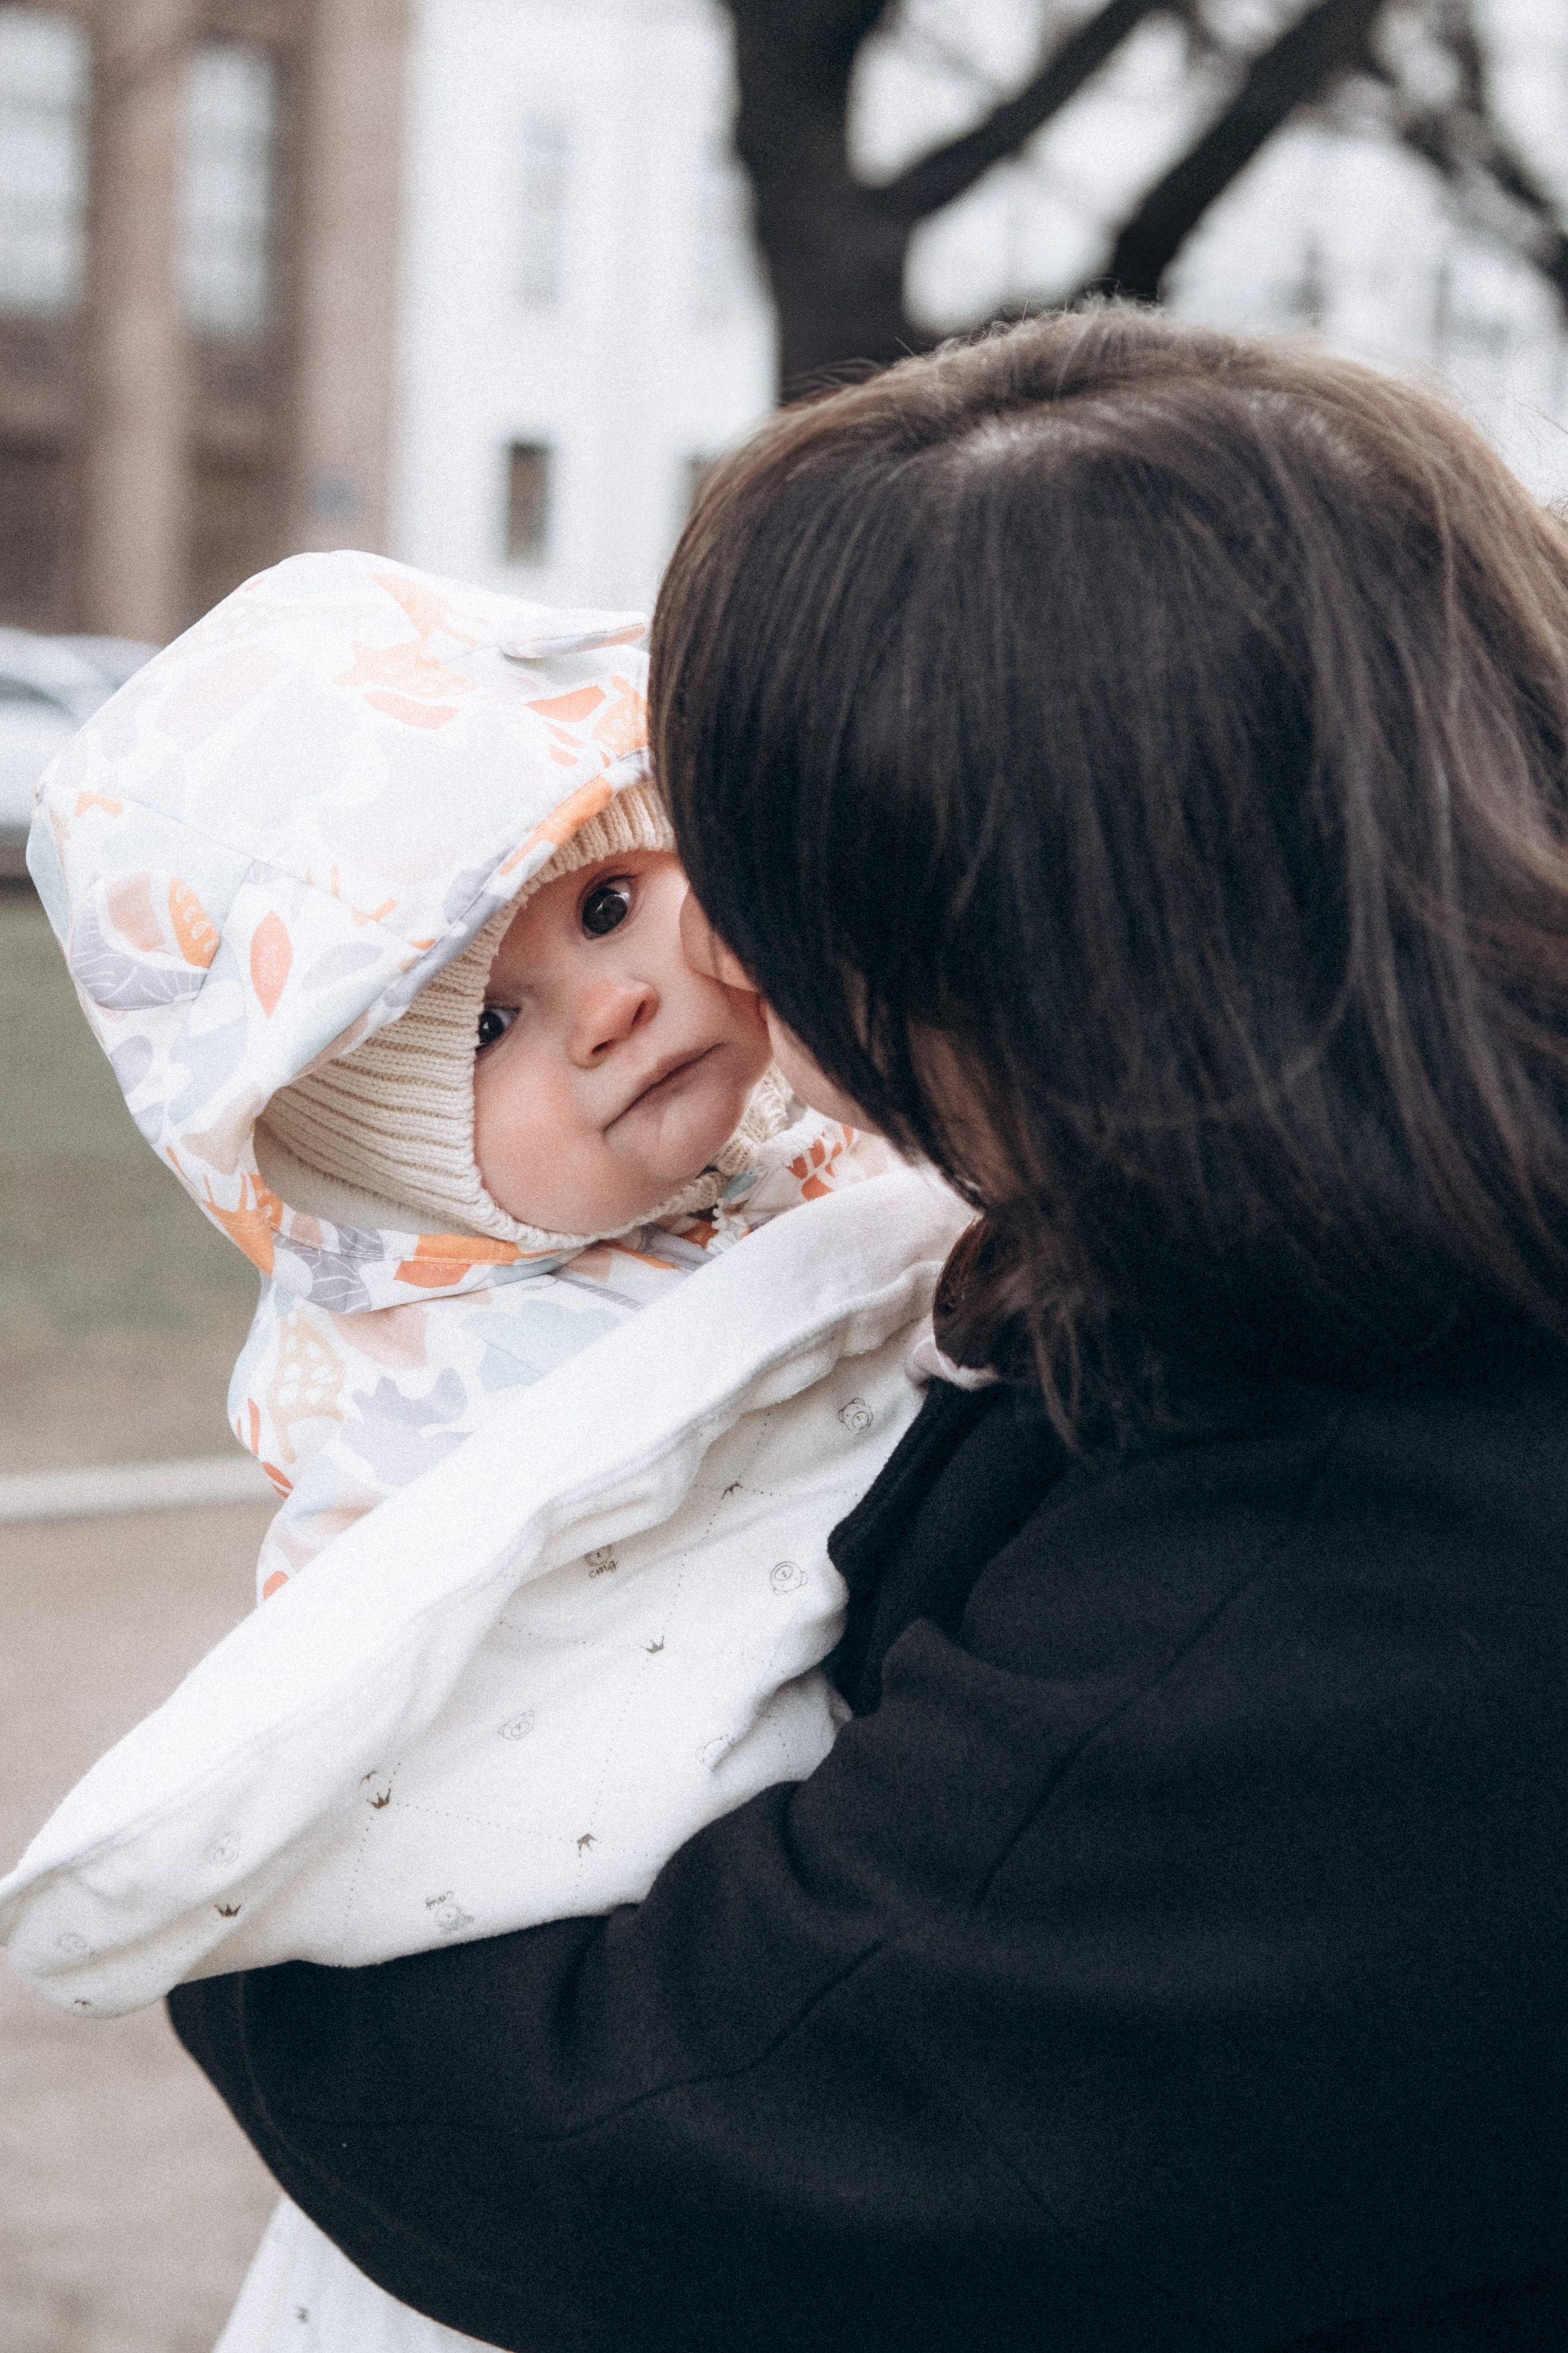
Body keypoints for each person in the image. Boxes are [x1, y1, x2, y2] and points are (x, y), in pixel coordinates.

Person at [162, 304, 1568, 2352]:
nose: (718, 955)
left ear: (1037, 958)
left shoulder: (1356, 1567)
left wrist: (242, 1906)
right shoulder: (1332, 1278)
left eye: (760, 874)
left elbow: (689, 2121)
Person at [0, 551, 966, 2349]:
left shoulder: (825, 1134)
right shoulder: (429, 1387)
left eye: (607, 901)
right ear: (406, 1193)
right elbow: (409, 1692)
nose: (611, 1002)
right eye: (497, 1029)